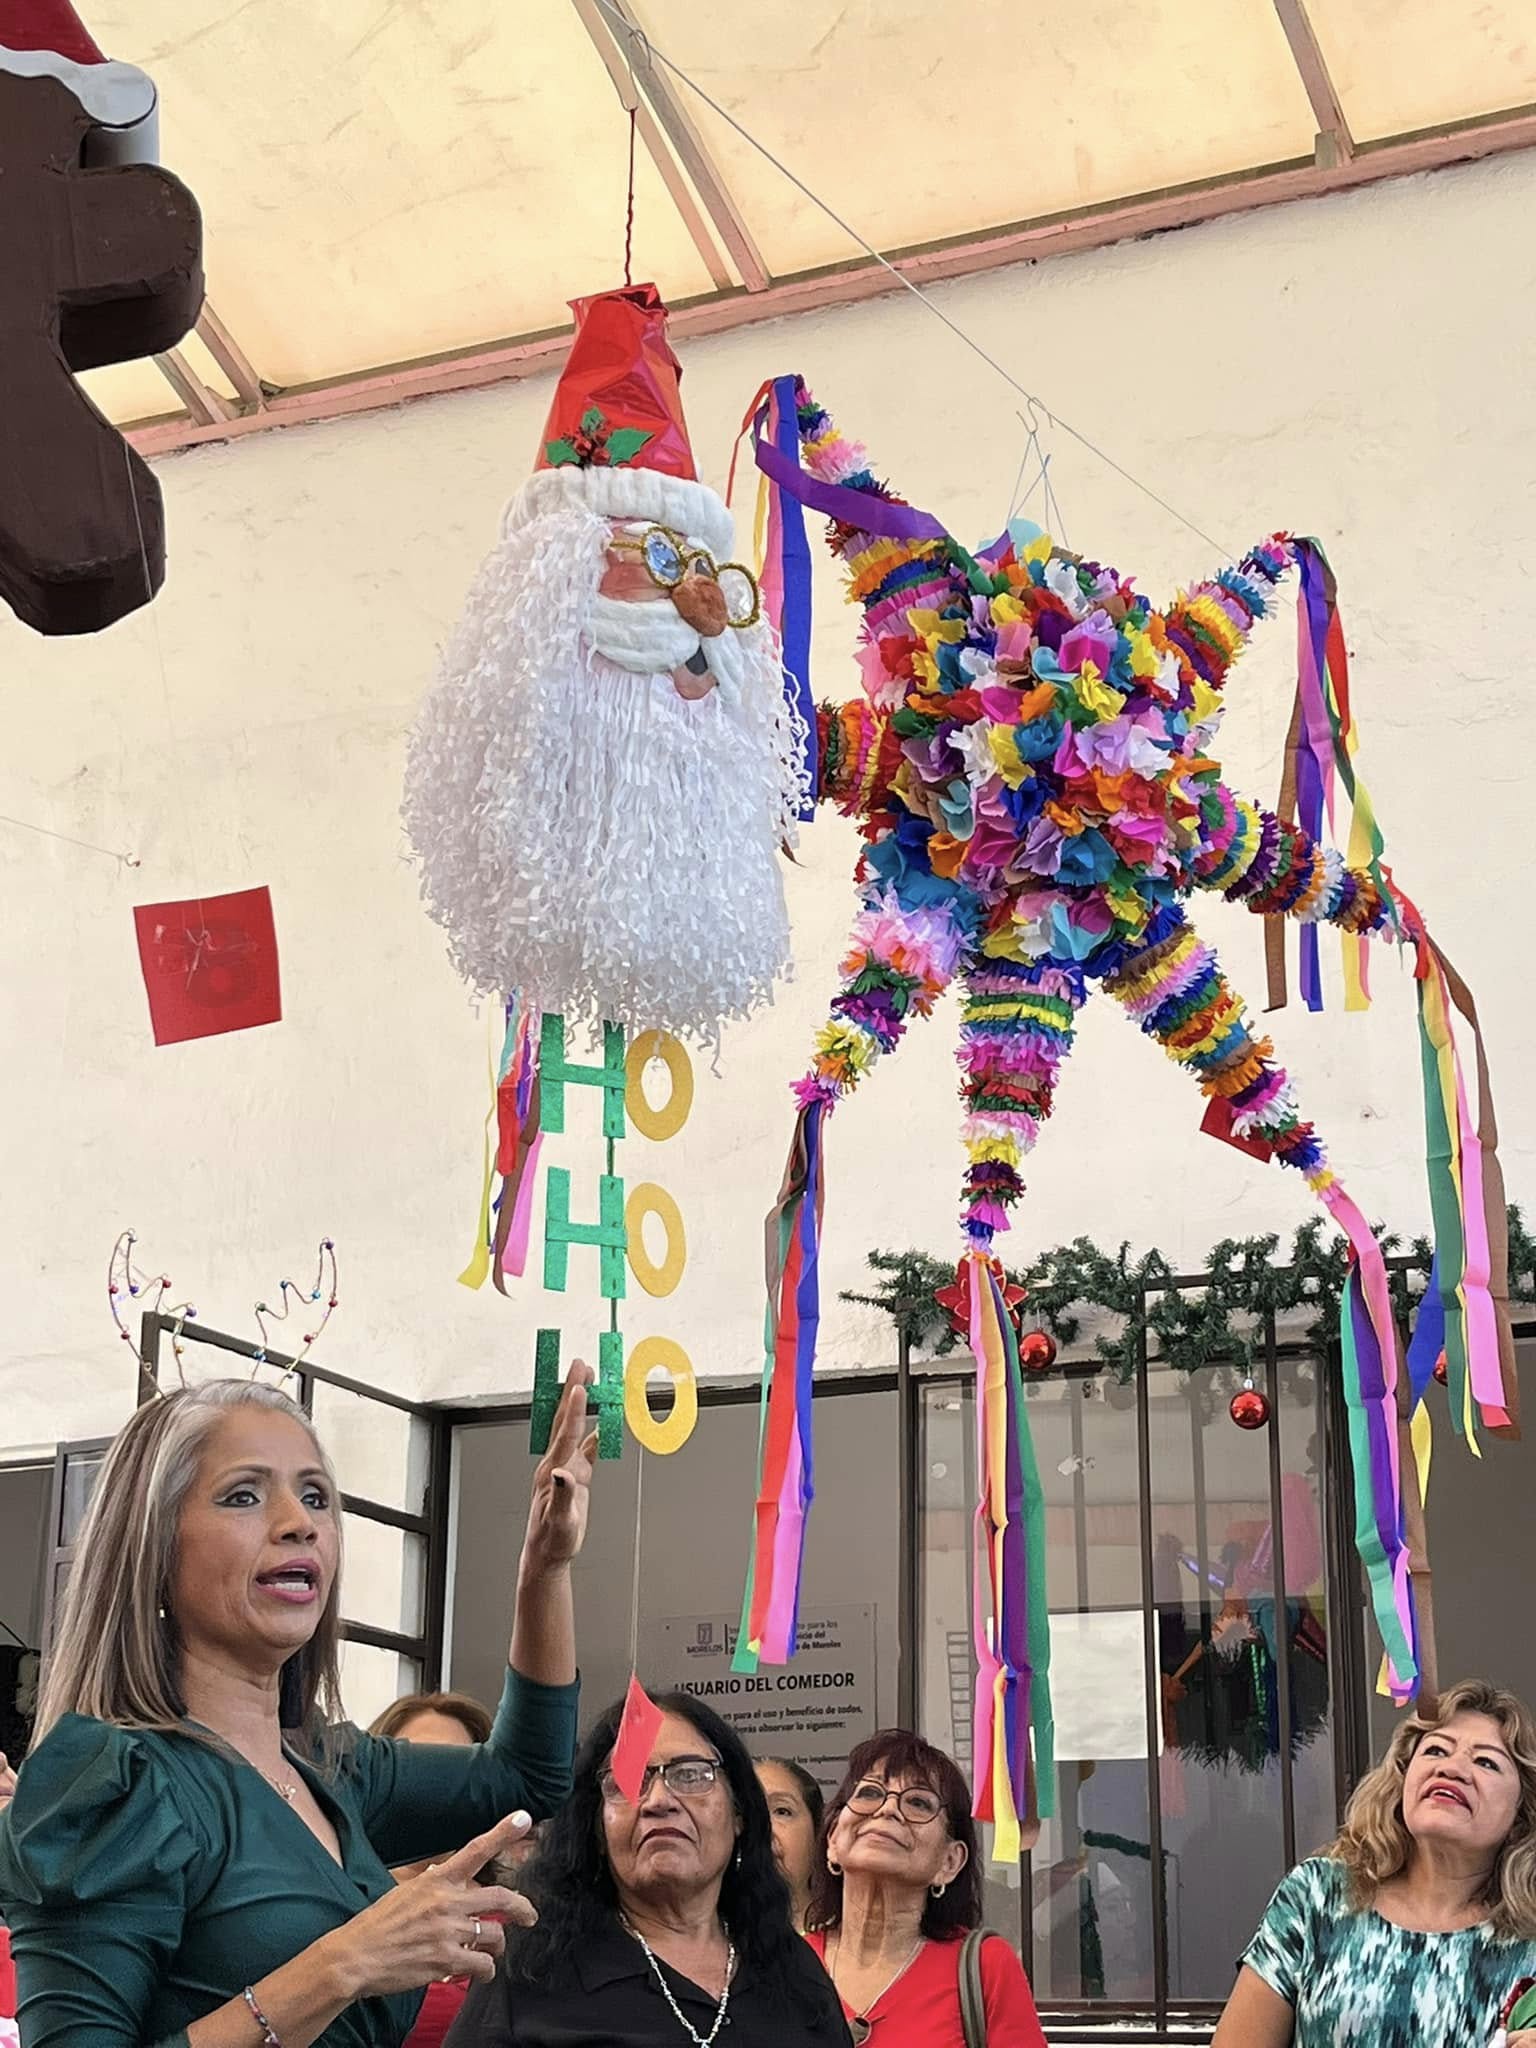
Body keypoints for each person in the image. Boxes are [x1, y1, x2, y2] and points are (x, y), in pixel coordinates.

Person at [0, 1363, 600, 2048]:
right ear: (155, 1547)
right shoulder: (112, 1784)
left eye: (316, 1497)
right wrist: (342, 1965)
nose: (298, 1523)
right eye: (243, 1497)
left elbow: (529, 1777)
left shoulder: (333, 1769)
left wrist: (544, 1569)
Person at [446, 1690, 850, 2046]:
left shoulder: (792, 1970)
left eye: (691, 1775)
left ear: (739, 1812)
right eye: (627, 1782)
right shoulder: (531, 1967)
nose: (659, 1800)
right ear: (597, 1830)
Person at [1212, 1678, 1536, 2047]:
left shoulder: (1529, 1941)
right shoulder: (1317, 1896)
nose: (1452, 1768)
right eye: (1435, 1751)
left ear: (1521, 1816)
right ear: (1402, 1781)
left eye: (1485, 1762)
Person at [806, 1730, 1046, 2047]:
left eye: (918, 1802)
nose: (887, 1809)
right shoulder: (782, 1962)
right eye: (868, 1793)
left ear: (949, 1862)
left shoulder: (987, 1966)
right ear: (833, 1840)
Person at [367, 1692, 497, 2048]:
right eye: (413, 1762)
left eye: (454, 1766)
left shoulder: (524, 1917)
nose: (432, 1783)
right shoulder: (334, 1905)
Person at [756, 1758, 824, 1933]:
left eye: (782, 1811)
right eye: (745, 1811)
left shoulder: (846, 1948)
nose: (761, 1827)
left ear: (819, 1835)